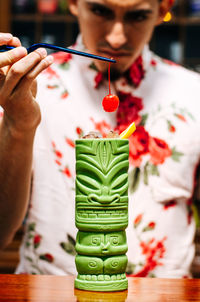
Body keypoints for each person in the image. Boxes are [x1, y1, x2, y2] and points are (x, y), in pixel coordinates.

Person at [0, 0, 200, 278]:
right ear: (73, 3)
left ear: (163, 9)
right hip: (49, 291)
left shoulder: (194, 94)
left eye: (137, 16)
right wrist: (19, 124)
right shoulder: (25, 90)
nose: (116, 38)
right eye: (100, 10)